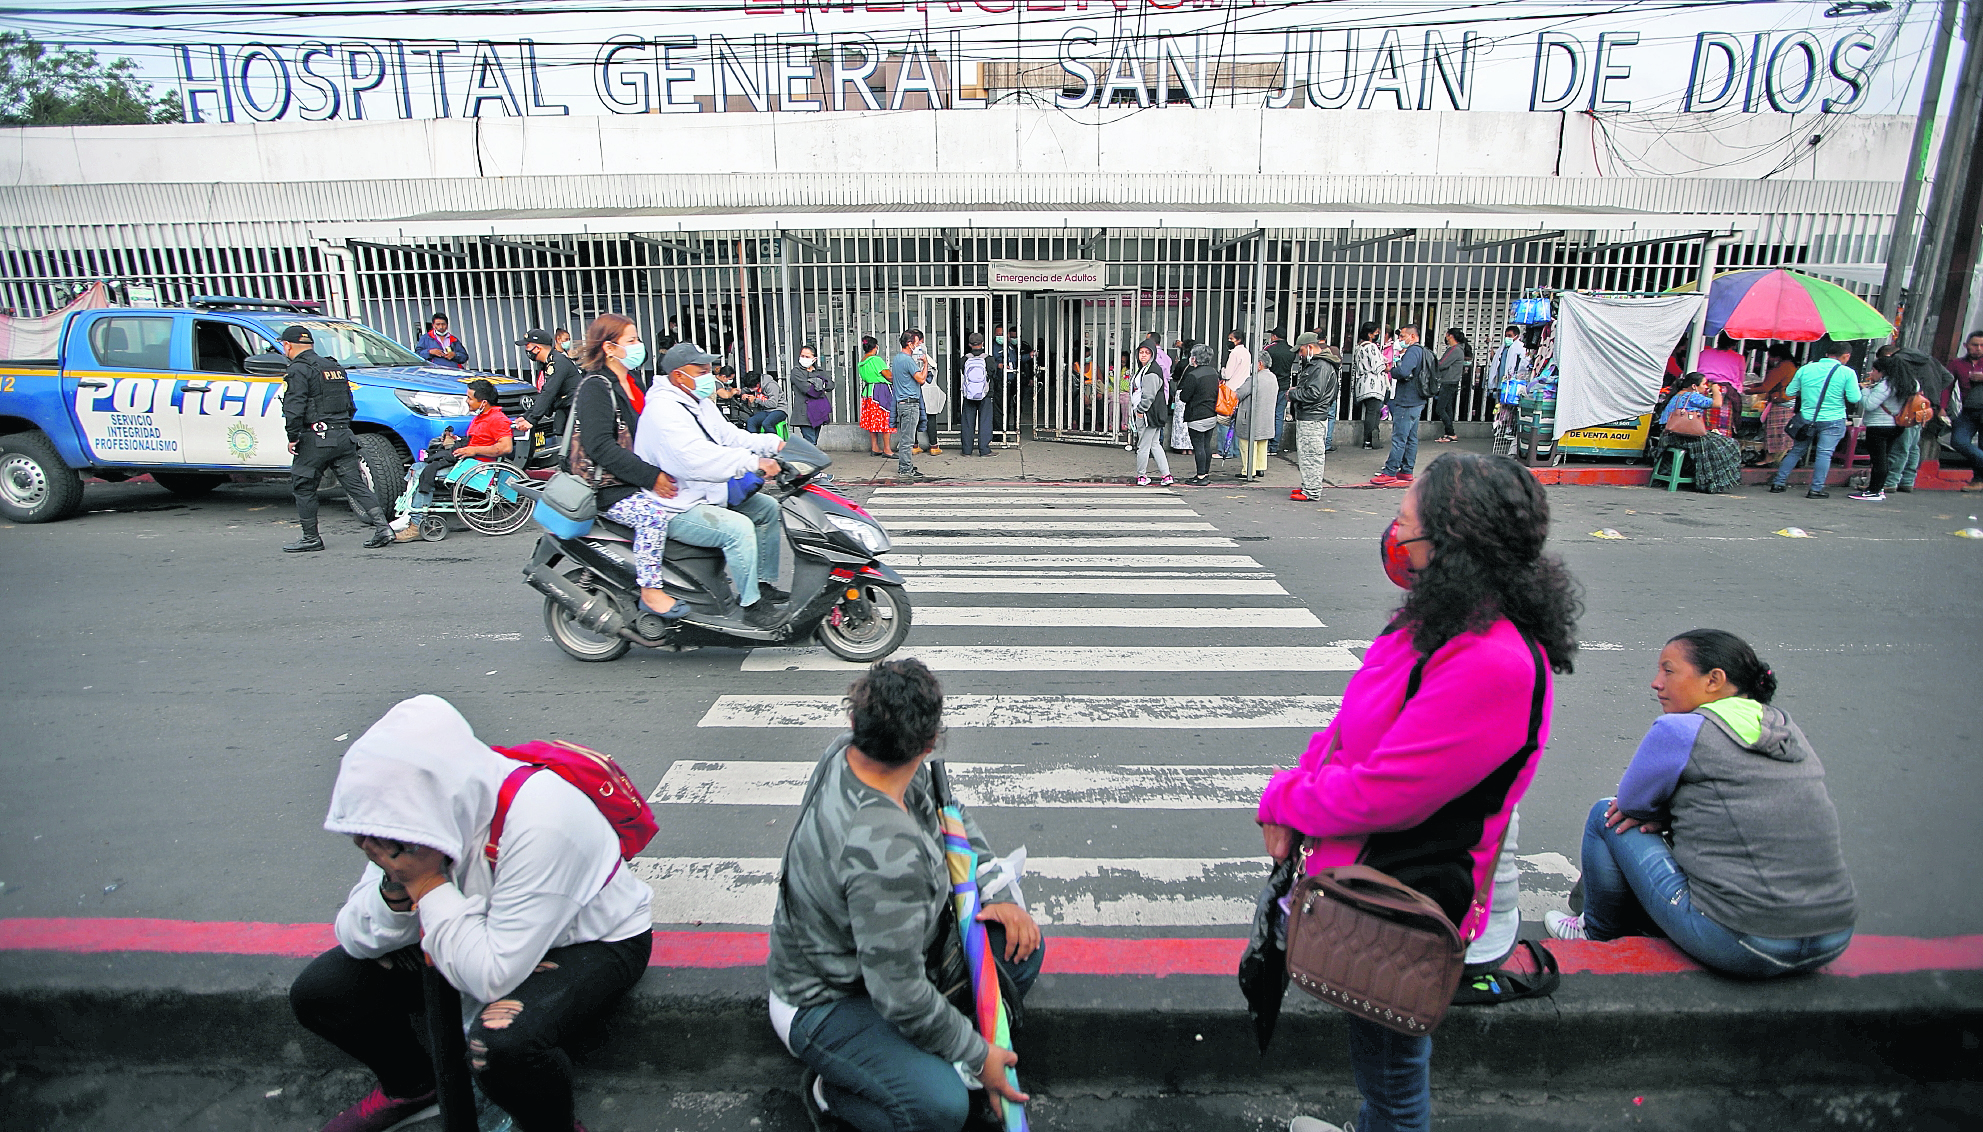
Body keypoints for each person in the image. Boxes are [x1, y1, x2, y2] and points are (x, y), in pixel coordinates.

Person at [1266, 453, 1578, 1132]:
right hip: (1367, 875)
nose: (1393, 531)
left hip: (1406, 899)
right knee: (1378, 1043)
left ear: (1449, 540)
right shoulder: (1432, 621)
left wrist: (1284, 802)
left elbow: (1390, 792)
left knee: (1392, 1067)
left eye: (1405, 518)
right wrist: (1300, 781)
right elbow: (1351, 726)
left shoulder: (1493, 660)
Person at [290, 695, 653, 1132]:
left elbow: (491, 973)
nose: (372, 845)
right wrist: (395, 888)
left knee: (500, 1044)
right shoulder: (410, 820)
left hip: (590, 941)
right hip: (474, 935)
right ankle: (414, 1086)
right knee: (323, 991)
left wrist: (426, 883)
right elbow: (354, 936)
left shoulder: (542, 818)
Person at [769, 659, 1043, 1132]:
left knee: (1018, 953)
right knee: (940, 1107)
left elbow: (948, 813)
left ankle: (914, 1057)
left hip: (890, 956)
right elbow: (900, 995)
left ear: (856, 722)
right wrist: (980, 1056)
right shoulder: (886, 854)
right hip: (826, 997)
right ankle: (832, 1092)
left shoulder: (850, 752)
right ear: (929, 741)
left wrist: (995, 891)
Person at [1547, 630, 1856, 978]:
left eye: (1668, 671)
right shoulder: (1781, 726)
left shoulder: (1681, 730)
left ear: (1714, 680)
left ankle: (1595, 932)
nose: (1656, 683)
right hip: (1833, 937)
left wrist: (1661, 815)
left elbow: (1631, 805)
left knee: (1605, 815)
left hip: (1746, 945)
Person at [632, 341, 788, 628]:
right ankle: (752, 606)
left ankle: (763, 586)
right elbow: (696, 460)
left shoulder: (697, 402)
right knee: (738, 529)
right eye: (701, 370)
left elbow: (730, 436)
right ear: (679, 375)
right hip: (677, 505)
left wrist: (774, 445)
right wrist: (752, 463)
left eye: (708, 369)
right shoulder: (663, 412)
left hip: (704, 494)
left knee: (766, 508)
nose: (709, 375)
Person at [566, 313, 682, 621]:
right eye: (631, 341)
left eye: (637, 340)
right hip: (608, 487)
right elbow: (600, 447)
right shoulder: (595, 387)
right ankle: (650, 590)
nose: (638, 346)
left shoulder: (632, 383)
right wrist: (652, 476)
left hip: (635, 478)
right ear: (609, 348)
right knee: (653, 517)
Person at [279, 324, 394, 553]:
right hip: (342, 434)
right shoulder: (333, 367)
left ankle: (310, 537)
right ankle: (383, 528)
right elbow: (350, 404)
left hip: (315, 437)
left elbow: (294, 407)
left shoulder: (298, 370)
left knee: (303, 485)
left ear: (287, 345)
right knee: (354, 484)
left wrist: (293, 436)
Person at [396, 379, 513, 541]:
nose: (466, 401)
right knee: (417, 467)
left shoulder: (497, 420)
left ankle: (416, 524)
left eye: (470, 398)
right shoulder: (481, 417)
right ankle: (410, 514)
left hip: (478, 467)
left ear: (483, 402)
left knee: (423, 473)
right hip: (467, 460)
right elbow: (477, 440)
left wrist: (473, 449)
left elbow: (506, 448)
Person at [1769, 339, 1861, 498]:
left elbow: (1790, 391)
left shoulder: (1806, 369)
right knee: (1824, 453)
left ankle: (1778, 483)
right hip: (1833, 419)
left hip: (1806, 418)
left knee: (1796, 450)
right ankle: (1816, 489)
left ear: (1827, 354)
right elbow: (1854, 398)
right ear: (1846, 356)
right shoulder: (1847, 373)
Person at [1653, 372, 1741, 495]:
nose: (1706, 387)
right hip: (1681, 436)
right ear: (1694, 386)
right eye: (1704, 384)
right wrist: (1716, 389)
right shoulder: (1692, 396)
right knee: (1728, 444)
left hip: (1668, 435)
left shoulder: (1677, 395)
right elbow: (1717, 403)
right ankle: (1711, 481)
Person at [1848, 350, 1916, 502]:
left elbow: (1869, 404)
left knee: (1878, 459)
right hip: (1897, 425)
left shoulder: (1885, 385)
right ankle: (1878, 488)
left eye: (1874, 370)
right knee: (1884, 458)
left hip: (1879, 425)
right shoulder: (1909, 383)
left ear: (1882, 371)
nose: (1872, 373)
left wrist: (1865, 390)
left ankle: (1874, 491)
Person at [1372, 325, 1430, 486]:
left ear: (1412, 336)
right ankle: (1406, 470)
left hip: (1407, 401)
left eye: (1403, 336)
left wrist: (1393, 370)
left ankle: (1390, 471)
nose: (1400, 340)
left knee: (1400, 438)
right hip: (1416, 400)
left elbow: (1403, 372)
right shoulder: (1422, 351)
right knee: (1411, 437)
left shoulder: (1412, 351)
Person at [1286, 333, 1338, 501]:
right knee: (1307, 454)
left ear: (1309, 347)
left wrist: (1294, 394)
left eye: (1301, 350)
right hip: (1312, 414)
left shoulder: (1320, 366)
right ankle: (1308, 485)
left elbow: (1314, 393)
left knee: (1311, 455)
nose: (1300, 355)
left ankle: (1312, 490)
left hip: (1313, 416)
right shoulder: (1319, 365)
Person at [518, 328, 580, 446]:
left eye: (527, 346)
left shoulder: (557, 363)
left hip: (575, 413)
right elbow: (545, 393)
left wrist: (531, 419)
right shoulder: (549, 362)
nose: (526, 350)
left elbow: (549, 392)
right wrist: (526, 416)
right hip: (565, 411)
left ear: (537, 348)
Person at [1129, 343, 1173, 486]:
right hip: (1152, 412)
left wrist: (1141, 410)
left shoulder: (1151, 371)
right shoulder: (1146, 369)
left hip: (1148, 413)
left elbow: (1149, 395)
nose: (1143, 355)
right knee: (1155, 444)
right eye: (1141, 352)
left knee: (1143, 445)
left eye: (1147, 353)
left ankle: (1141, 475)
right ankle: (1166, 475)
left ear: (1152, 354)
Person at [1178, 343, 1222, 485]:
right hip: (1211, 414)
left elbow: (1184, 397)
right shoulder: (1214, 373)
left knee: (1199, 447)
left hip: (1196, 415)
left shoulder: (1193, 375)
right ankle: (1205, 473)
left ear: (1195, 358)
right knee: (1206, 445)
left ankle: (1201, 476)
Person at [1944, 329, 1983, 489]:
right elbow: (1947, 386)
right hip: (1969, 409)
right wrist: (1942, 408)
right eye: (1975, 345)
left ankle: (1978, 480)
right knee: (1958, 441)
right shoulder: (1957, 363)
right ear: (1967, 346)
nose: (1978, 348)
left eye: (1982, 345)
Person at [1233, 343, 1277, 480]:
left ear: (1259, 364)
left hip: (1251, 418)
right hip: (1266, 417)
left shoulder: (1254, 379)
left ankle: (1248, 470)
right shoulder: (1272, 378)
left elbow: (1239, 394)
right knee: (1262, 443)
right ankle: (1259, 467)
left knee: (1246, 444)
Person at [1750, 345, 1799, 467]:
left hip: (1781, 402)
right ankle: (1780, 458)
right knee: (1783, 434)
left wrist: (1745, 391)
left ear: (1777, 356)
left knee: (1773, 432)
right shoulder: (1791, 366)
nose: (1769, 359)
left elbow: (1766, 387)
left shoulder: (1782, 367)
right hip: (1789, 402)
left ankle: (1769, 459)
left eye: (1770, 356)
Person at [891, 330, 931, 479]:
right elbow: (921, 379)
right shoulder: (907, 360)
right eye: (916, 342)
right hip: (909, 403)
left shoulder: (897, 359)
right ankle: (905, 469)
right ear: (909, 344)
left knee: (906, 437)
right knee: (907, 440)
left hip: (902, 402)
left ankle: (906, 465)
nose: (918, 345)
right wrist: (925, 364)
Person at [1486, 326, 1528, 456]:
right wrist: (1489, 347)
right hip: (1501, 384)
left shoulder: (1520, 348)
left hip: (1511, 385)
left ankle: (1509, 430)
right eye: (1506, 335)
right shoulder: (1503, 348)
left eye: (1509, 335)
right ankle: (1500, 429)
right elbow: (1495, 363)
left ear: (1516, 335)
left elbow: (1523, 365)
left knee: (1511, 409)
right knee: (1499, 407)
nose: (1507, 338)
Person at [1428, 329, 1471, 443]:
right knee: (1447, 408)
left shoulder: (1455, 350)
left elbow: (1441, 364)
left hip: (1448, 382)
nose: (1445, 337)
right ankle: (1449, 434)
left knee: (1440, 408)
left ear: (1450, 336)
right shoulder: (1458, 349)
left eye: (1446, 335)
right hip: (1451, 382)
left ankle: (1451, 432)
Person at [1351, 321, 1389, 451]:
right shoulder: (1371, 347)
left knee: (1370, 412)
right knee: (1373, 413)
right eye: (1376, 333)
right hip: (1373, 384)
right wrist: (1387, 367)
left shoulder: (1358, 347)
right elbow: (1377, 366)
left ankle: (1370, 440)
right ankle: (1369, 440)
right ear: (1370, 334)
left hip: (1362, 383)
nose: (1378, 335)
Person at [958, 332, 995, 458]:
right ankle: (984, 450)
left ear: (969, 344)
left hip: (969, 395)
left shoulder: (964, 359)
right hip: (985, 394)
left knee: (968, 422)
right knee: (985, 421)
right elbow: (992, 375)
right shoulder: (988, 359)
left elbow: (963, 374)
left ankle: (966, 450)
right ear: (982, 343)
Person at [857, 336, 894, 456]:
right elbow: (888, 375)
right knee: (885, 419)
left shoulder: (862, 362)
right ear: (876, 347)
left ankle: (875, 447)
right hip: (880, 392)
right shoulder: (876, 360)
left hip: (868, 393)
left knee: (872, 420)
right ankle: (887, 449)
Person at [1263, 327, 1297, 456]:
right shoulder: (1291, 350)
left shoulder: (1269, 349)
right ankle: (1274, 445)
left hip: (1269, 385)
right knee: (1278, 415)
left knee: (1267, 414)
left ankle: (1265, 443)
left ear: (1274, 336)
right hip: (1284, 386)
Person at [793, 344, 834, 445]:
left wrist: (818, 384)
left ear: (814, 359)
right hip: (804, 412)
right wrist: (820, 387)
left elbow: (831, 384)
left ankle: (809, 459)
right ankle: (810, 460)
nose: (804, 358)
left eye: (807, 357)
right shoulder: (796, 372)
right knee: (810, 441)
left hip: (818, 411)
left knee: (814, 441)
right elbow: (807, 389)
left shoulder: (819, 371)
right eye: (802, 356)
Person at [1220, 329, 1251, 461]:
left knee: (1223, 421)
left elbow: (1227, 374)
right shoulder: (1247, 353)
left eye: (1231, 339)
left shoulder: (1234, 353)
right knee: (1237, 423)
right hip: (1242, 390)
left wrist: (1222, 370)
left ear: (1238, 340)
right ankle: (1236, 450)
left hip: (1230, 390)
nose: (1229, 342)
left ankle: (1224, 450)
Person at [741, 370, 788, 434]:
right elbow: (743, 390)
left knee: (766, 424)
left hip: (779, 410)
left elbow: (773, 404)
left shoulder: (771, 385)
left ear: (758, 383)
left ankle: (773, 442)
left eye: (752, 387)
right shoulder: (753, 385)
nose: (751, 389)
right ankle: (755, 442)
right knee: (751, 421)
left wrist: (756, 400)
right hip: (766, 411)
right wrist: (743, 395)